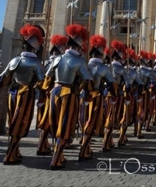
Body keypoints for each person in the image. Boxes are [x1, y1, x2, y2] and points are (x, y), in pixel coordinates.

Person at [46, 24, 93, 170]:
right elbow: (88, 81)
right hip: (69, 94)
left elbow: (47, 78)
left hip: (54, 92)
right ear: (79, 46)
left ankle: (59, 155)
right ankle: (55, 159)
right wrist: (83, 90)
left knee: (54, 124)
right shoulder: (79, 61)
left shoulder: (57, 58)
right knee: (65, 125)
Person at [0, 24, 44, 165]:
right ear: (34, 47)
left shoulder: (14, 60)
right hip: (26, 95)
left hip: (12, 94)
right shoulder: (36, 62)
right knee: (20, 124)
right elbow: (42, 83)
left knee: (13, 122)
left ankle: (15, 151)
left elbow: (3, 79)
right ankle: (10, 154)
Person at [79, 35, 117, 157]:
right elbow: (112, 83)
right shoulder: (102, 67)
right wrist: (114, 94)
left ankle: (86, 146)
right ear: (100, 55)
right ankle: (84, 150)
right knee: (92, 123)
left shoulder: (83, 64)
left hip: (82, 96)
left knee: (83, 121)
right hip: (95, 97)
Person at [36, 34, 68, 156]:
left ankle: (42, 145)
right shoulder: (56, 61)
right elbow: (47, 79)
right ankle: (47, 146)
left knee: (46, 121)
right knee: (53, 121)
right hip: (53, 94)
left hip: (47, 93)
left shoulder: (50, 61)